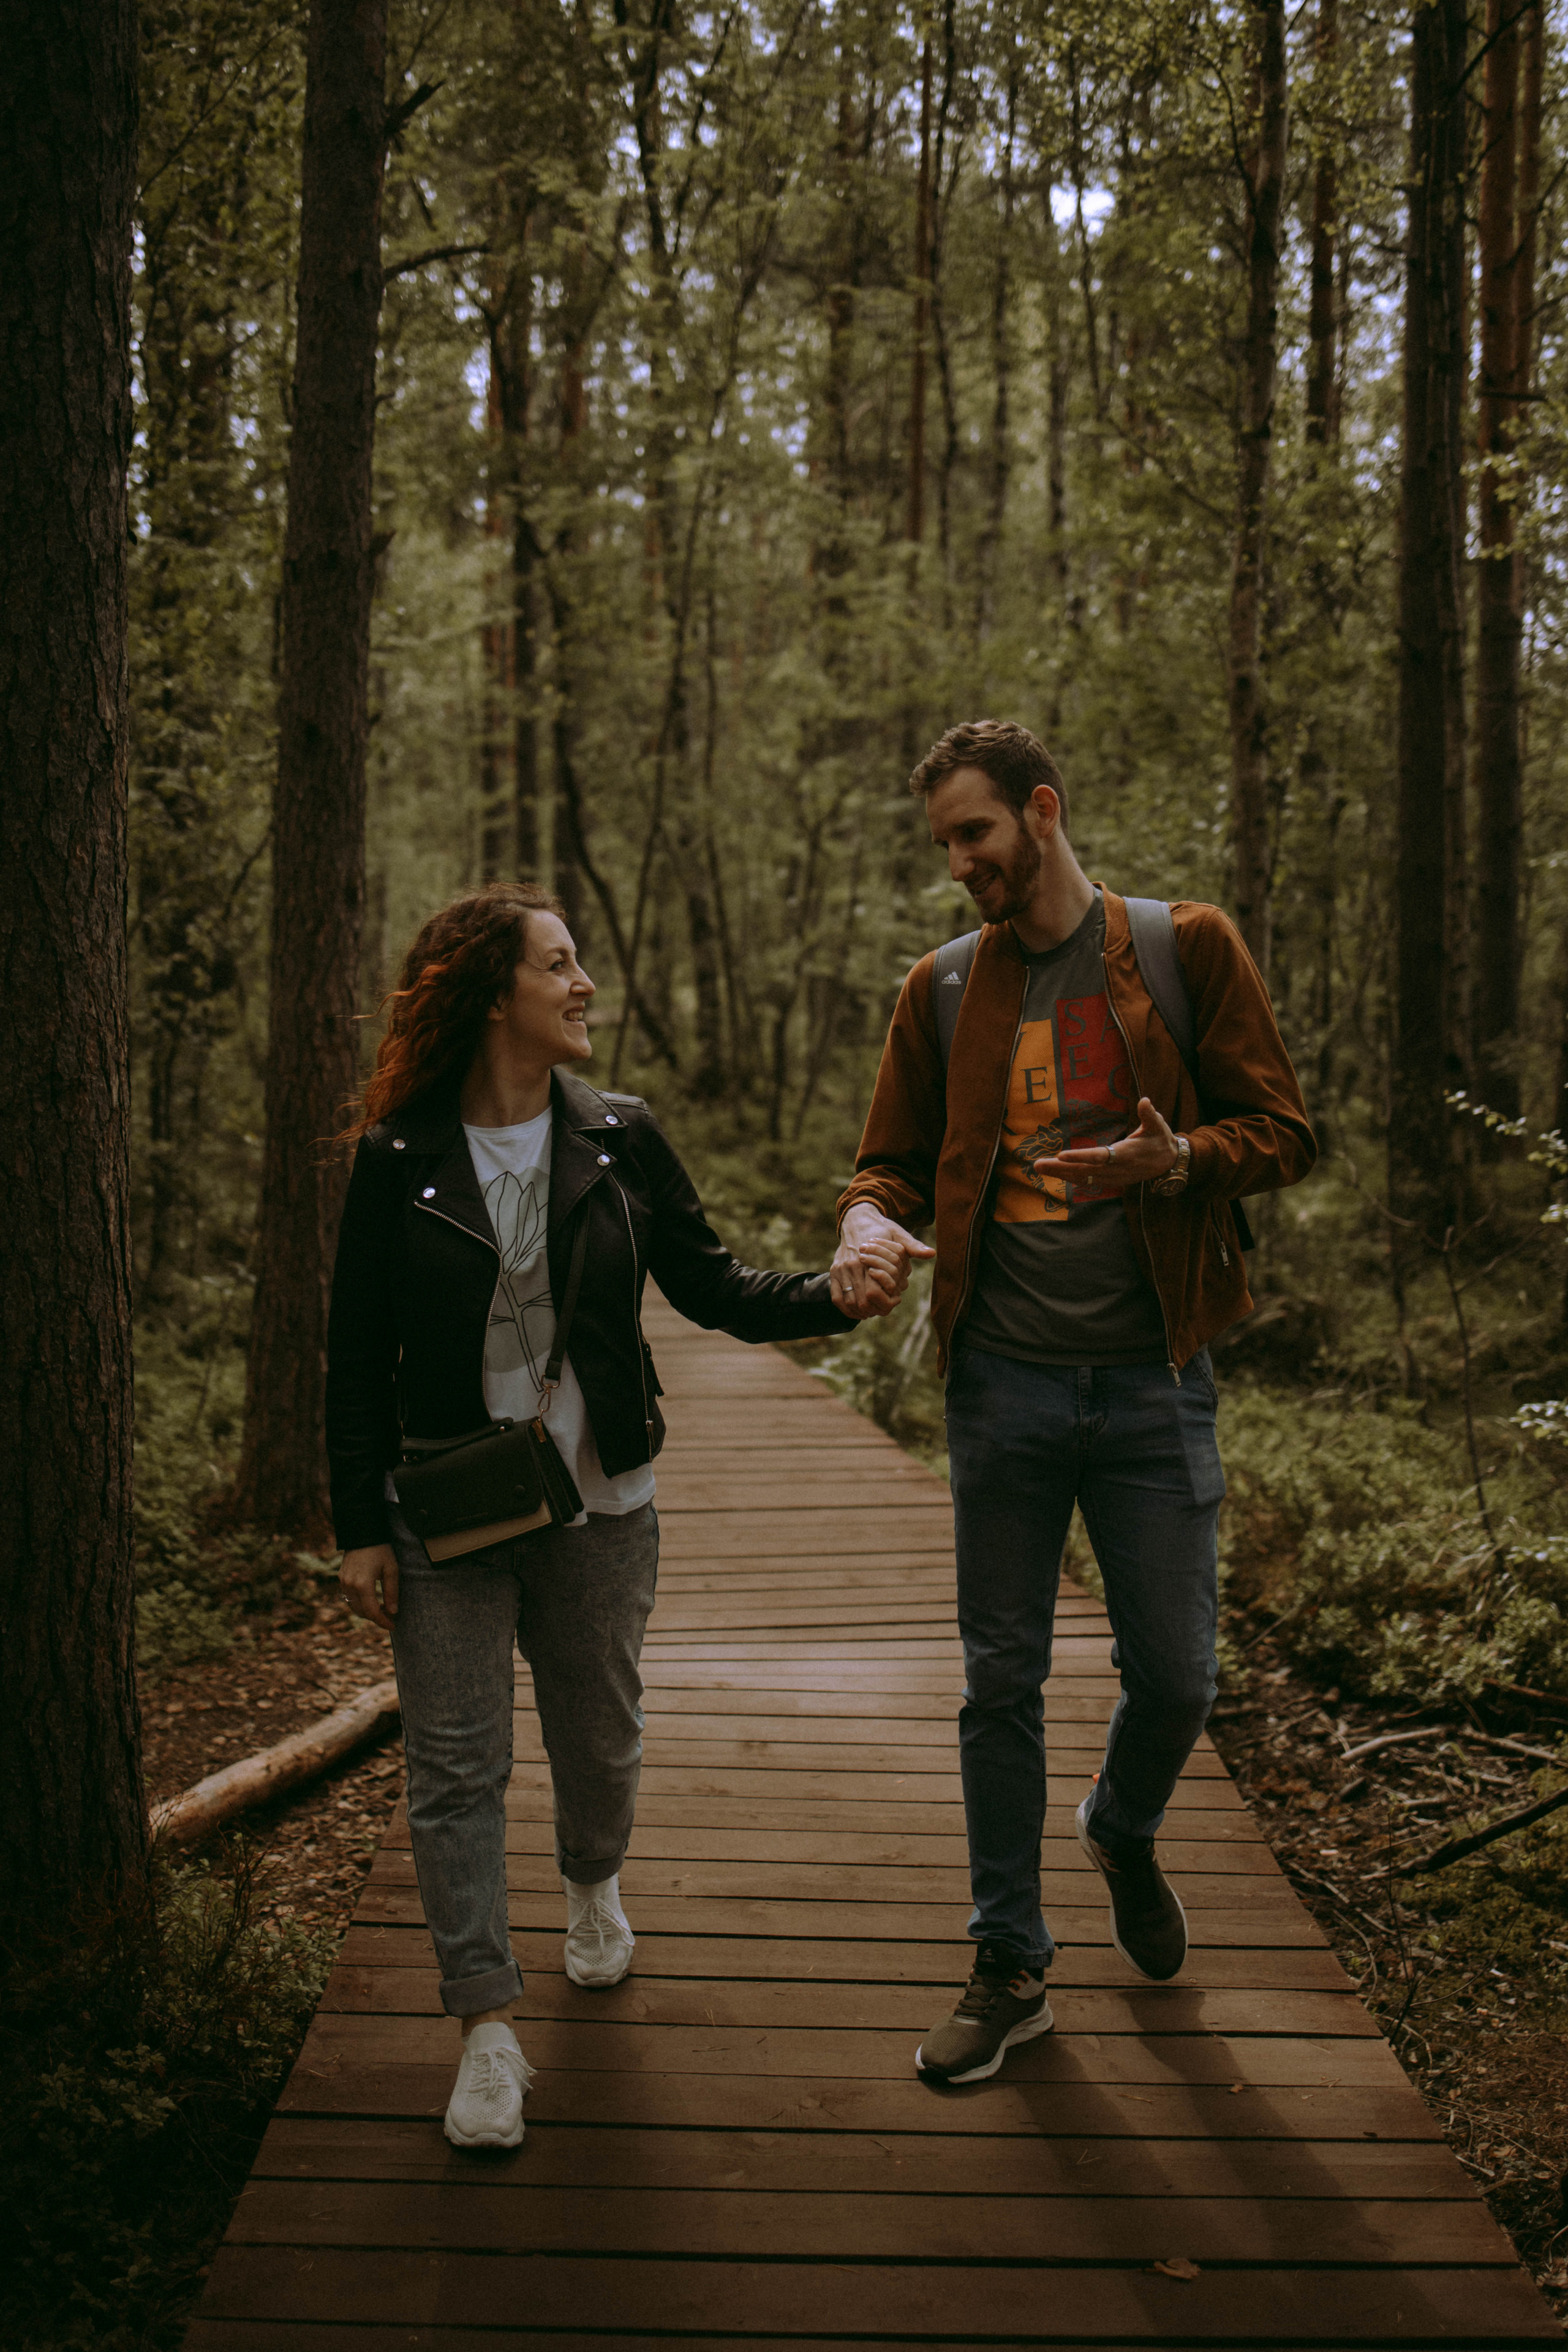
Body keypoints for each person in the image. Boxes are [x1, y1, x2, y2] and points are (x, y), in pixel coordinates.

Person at [328, 881, 902, 2150]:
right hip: (445, 1506)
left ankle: (591, 1883)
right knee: (454, 1768)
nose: (584, 984)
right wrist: (359, 1523)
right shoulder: (399, 1158)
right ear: (494, 994)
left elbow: (711, 1284)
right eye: (559, 963)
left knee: (599, 1738)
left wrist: (835, 1295)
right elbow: (356, 1349)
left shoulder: (619, 1136)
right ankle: (485, 2029)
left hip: (600, 1499)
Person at [829, 720, 1316, 2085]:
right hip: (1003, 1387)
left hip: (1156, 1383)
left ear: (1041, 812)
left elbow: (1284, 1131)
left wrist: (1179, 1161)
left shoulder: (1182, 947)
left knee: (1178, 1675)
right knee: (1002, 1682)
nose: (959, 864)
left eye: (974, 833)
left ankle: (1119, 1824)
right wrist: (862, 1223)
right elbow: (884, 1166)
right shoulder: (940, 987)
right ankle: (1009, 1964)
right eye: (945, 844)